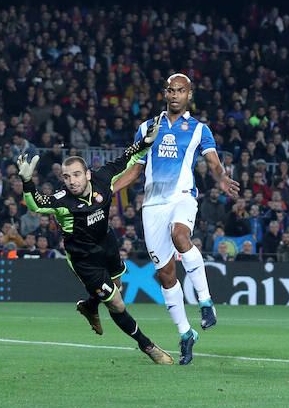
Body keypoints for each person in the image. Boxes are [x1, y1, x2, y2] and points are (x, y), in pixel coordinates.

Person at [17, 117, 174, 365]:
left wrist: (145, 141)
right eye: (67, 177)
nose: (72, 181)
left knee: (117, 287)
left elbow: (128, 157)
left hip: (107, 244)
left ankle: (90, 306)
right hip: (84, 259)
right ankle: (148, 346)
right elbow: (35, 203)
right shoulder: (61, 201)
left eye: (77, 175)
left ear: (88, 174)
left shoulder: (103, 178)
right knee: (117, 304)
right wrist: (26, 182)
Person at [112, 73, 240, 365]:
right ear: (165, 93)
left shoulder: (198, 129)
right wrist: (109, 189)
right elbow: (136, 169)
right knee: (166, 275)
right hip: (152, 205)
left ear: (189, 95)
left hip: (182, 197)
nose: (174, 95)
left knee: (180, 235)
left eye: (180, 91)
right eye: (170, 91)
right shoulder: (147, 128)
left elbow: (214, 164)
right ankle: (186, 334)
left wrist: (221, 179)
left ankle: (206, 302)